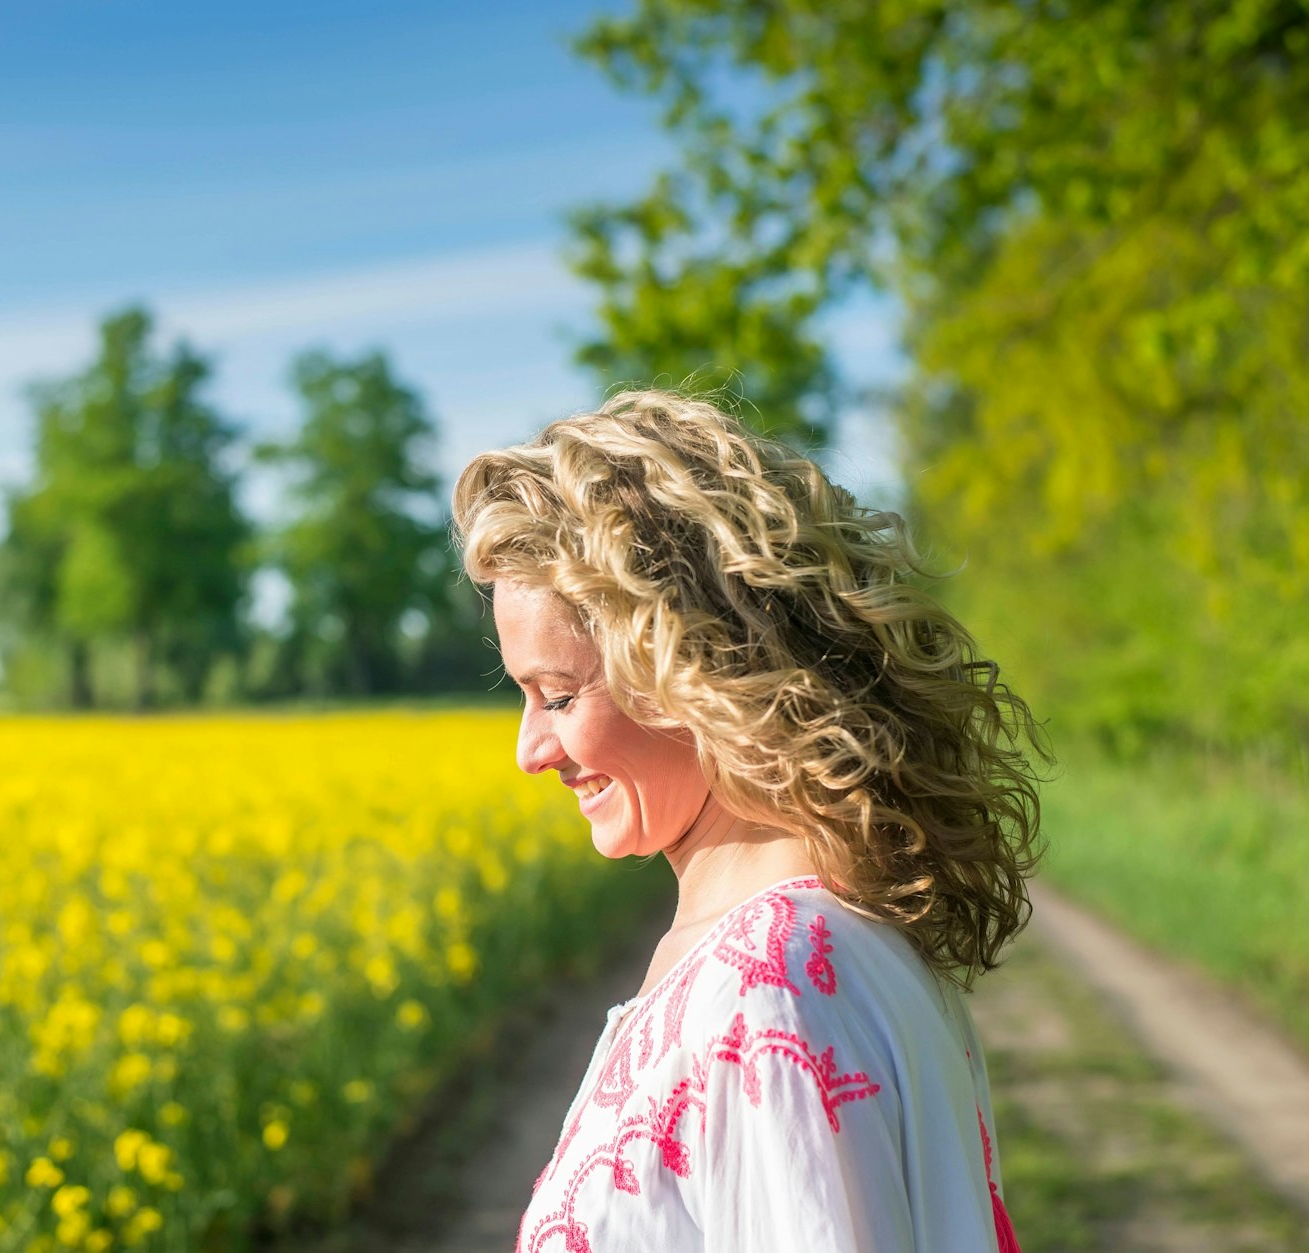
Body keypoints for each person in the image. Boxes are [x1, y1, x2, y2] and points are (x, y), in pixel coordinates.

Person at [448, 389, 1048, 1252]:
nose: (531, 749)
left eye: (559, 695)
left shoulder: (767, 989)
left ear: (695, 662)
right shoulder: (826, 942)